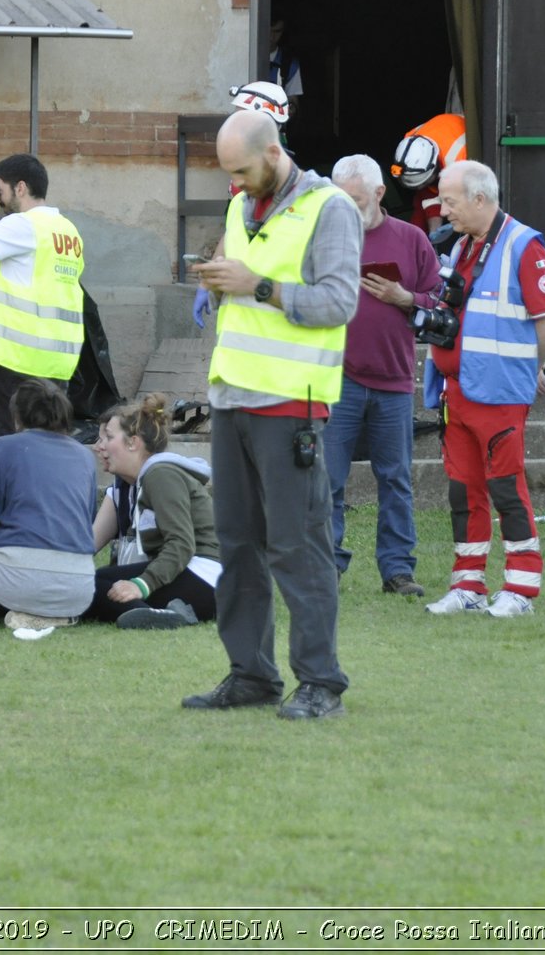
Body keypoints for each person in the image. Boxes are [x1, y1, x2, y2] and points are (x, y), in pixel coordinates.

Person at [182, 108, 360, 720]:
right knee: (238, 547)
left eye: (241, 170)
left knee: (297, 547)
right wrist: (213, 283)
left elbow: (339, 301)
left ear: (274, 151)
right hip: (231, 399)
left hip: (291, 404)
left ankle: (320, 684)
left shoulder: (329, 208)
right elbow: (240, 280)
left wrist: (255, 285)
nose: (234, 183)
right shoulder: (239, 205)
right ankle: (251, 674)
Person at [421, 160, 545, 619]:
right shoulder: (461, 245)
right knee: (464, 492)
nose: (442, 210)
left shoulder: (525, 244)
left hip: (499, 394)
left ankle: (521, 588)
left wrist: (530, 368)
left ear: (480, 199)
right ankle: (468, 584)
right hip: (457, 393)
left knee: (505, 488)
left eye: (450, 201)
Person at [323, 154, 444, 597]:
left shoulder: (411, 240)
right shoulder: (325, 239)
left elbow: (441, 304)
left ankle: (397, 571)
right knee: (329, 480)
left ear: (378, 194)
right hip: (337, 381)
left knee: (395, 479)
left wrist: (404, 297)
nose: (345, 208)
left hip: (393, 381)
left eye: (353, 199)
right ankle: (326, 567)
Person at [0, 378, 98, 630]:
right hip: (79, 587)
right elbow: (86, 522)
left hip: (14, 577)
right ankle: (45, 614)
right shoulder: (86, 457)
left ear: (16, 417)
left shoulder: (0, 449)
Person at [0, 153, 85, 437]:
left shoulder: (24, 225)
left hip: (19, 362)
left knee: (15, 448)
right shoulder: (68, 231)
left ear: (20, 188)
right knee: (48, 446)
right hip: (58, 364)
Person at [87, 393, 221, 630]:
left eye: (108, 437)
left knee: (96, 584)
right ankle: (161, 613)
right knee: (98, 580)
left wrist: (142, 584)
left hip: (207, 578)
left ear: (133, 442)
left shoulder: (160, 474)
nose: (100, 447)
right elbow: (88, 546)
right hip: (199, 576)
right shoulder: (135, 482)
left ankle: (154, 614)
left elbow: (181, 544)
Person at [193, 82, 295, 330]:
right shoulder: (248, 176)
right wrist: (208, 279)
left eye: (240, 117)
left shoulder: (284, 185)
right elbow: (234, 230)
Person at [391, 113, 467, 234]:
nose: (423, 187)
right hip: (442, 131)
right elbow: (428, 194)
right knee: (419, 209)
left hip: (461, 130)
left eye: (425, 182)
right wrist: (434, 231)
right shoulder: (410, 146)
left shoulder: (459, 161)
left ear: (435, 169)